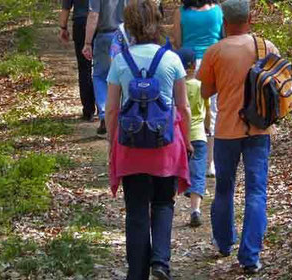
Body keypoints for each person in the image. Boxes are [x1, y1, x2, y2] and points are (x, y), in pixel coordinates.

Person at [106, 0, 193, 278]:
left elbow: (111, 108)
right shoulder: (172, 60)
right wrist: (188, 140)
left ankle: (137, 272)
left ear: (129, 26)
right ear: (158, 23)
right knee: (163, 203)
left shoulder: (121, 61)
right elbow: (183, 107)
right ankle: (160, 262)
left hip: (130, 145)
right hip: (164, 143)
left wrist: (112, 141)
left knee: (135, 210)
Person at [197, 0, 279, 275]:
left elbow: (205, 92)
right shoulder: (267, 47)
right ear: (250, 18)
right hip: (259, 129)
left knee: (224, 187)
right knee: (256, 191)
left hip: (226, 131)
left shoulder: (215, 51)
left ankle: (224, 241)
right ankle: (250, 256)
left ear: (225, 22)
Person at [172, 0, 223, 177]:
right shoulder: (217, 11)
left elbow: (178, 42)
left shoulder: (181, 13)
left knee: (186, 109)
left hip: (188, 66)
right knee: (213, 112)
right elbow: (223, 38)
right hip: (214, 63)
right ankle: (211, 163)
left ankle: (186, 157)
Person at [82, 0, 128, 137]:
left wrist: (87, 42)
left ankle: (104, 115)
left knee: (100, 76)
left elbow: (93, 14)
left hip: (104, 35)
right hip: (125, 36)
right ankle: (124, 114)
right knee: (124, 76)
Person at [175, 48, 210, 227]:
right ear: (195, 65)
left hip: (179, 136)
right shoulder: (200, 85)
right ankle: (195, 209)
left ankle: (168, 205)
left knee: (174, 172)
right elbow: (208, 110)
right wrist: (207, 127)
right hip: (198, 135)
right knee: (198, 174)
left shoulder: (176, 86)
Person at [59, 0, 96, 121]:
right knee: (102, 68)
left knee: (84, 68)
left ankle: (88, 110)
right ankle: (103, 108)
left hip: (80, 23)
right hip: (100, 23)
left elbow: (66, 8)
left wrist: (63, 27)